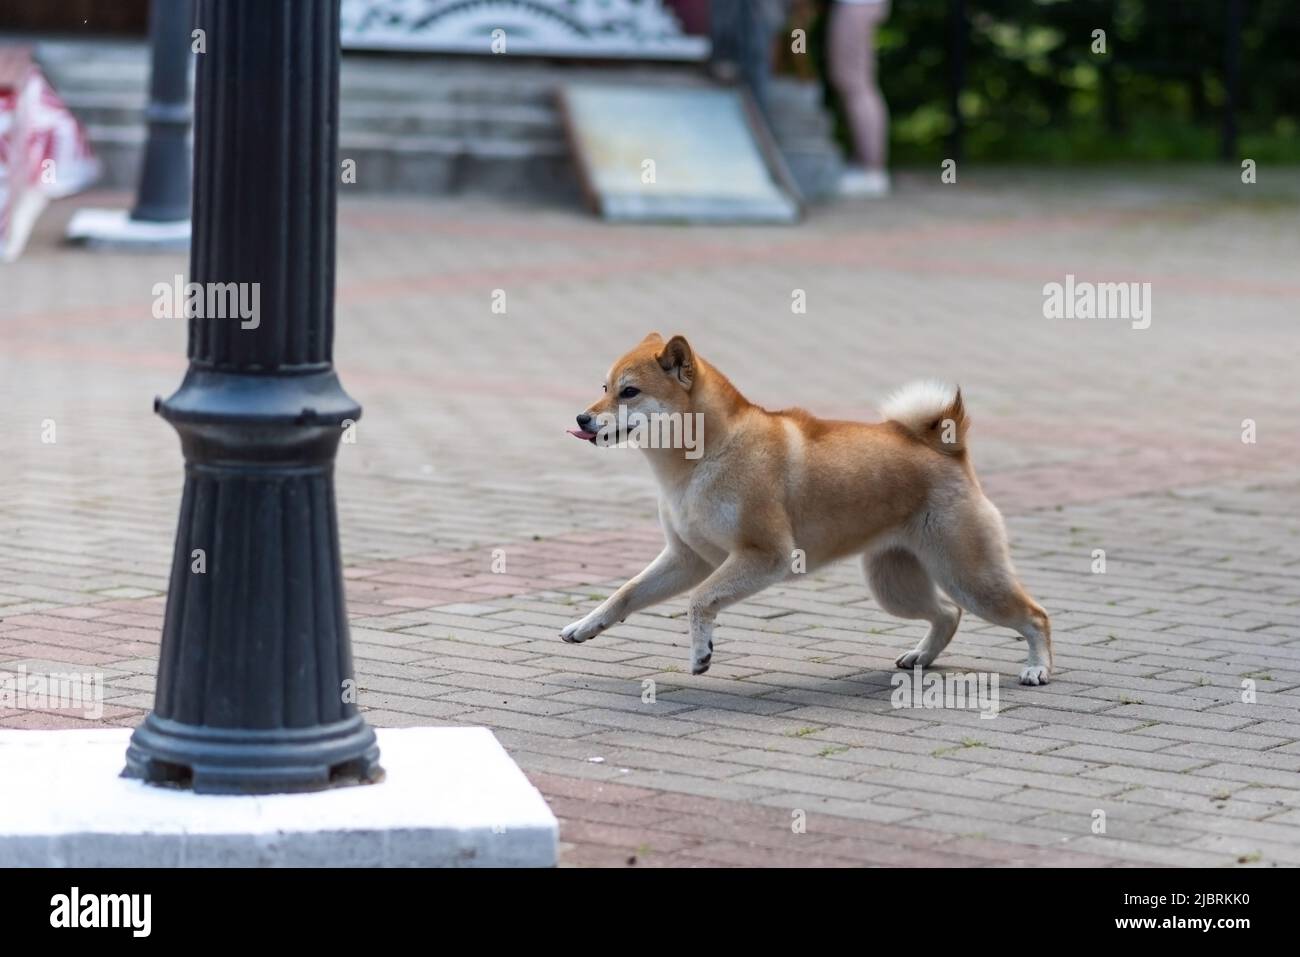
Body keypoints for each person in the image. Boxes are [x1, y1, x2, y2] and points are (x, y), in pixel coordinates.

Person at [827, 0, 891, 197]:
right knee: (853, 81)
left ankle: (871, 171)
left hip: (857, 4)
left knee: (855, 82)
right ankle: (867, 166)